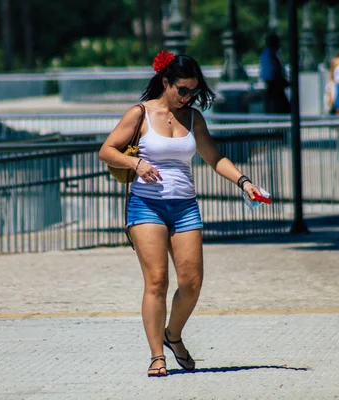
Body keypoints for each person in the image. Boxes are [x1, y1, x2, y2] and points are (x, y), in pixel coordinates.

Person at [98, 51, 263, 376]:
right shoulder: (140, 113)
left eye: (193, 90)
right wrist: (136, 163)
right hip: (146, 205)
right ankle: (156, 355)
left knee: (192, 283)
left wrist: (244, 183)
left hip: (184, 206)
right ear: (166, 83)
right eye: (182, 90)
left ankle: (173, 335)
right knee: (157, 281)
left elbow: (214, 157)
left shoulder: (193, 118)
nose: (188, 96)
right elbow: (106, 150)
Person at [259, 32, 291, 114]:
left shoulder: (267, 54)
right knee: (282, 110)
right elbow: (273, 74)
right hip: (274, 89)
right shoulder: (270, 55)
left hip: (273, 88)